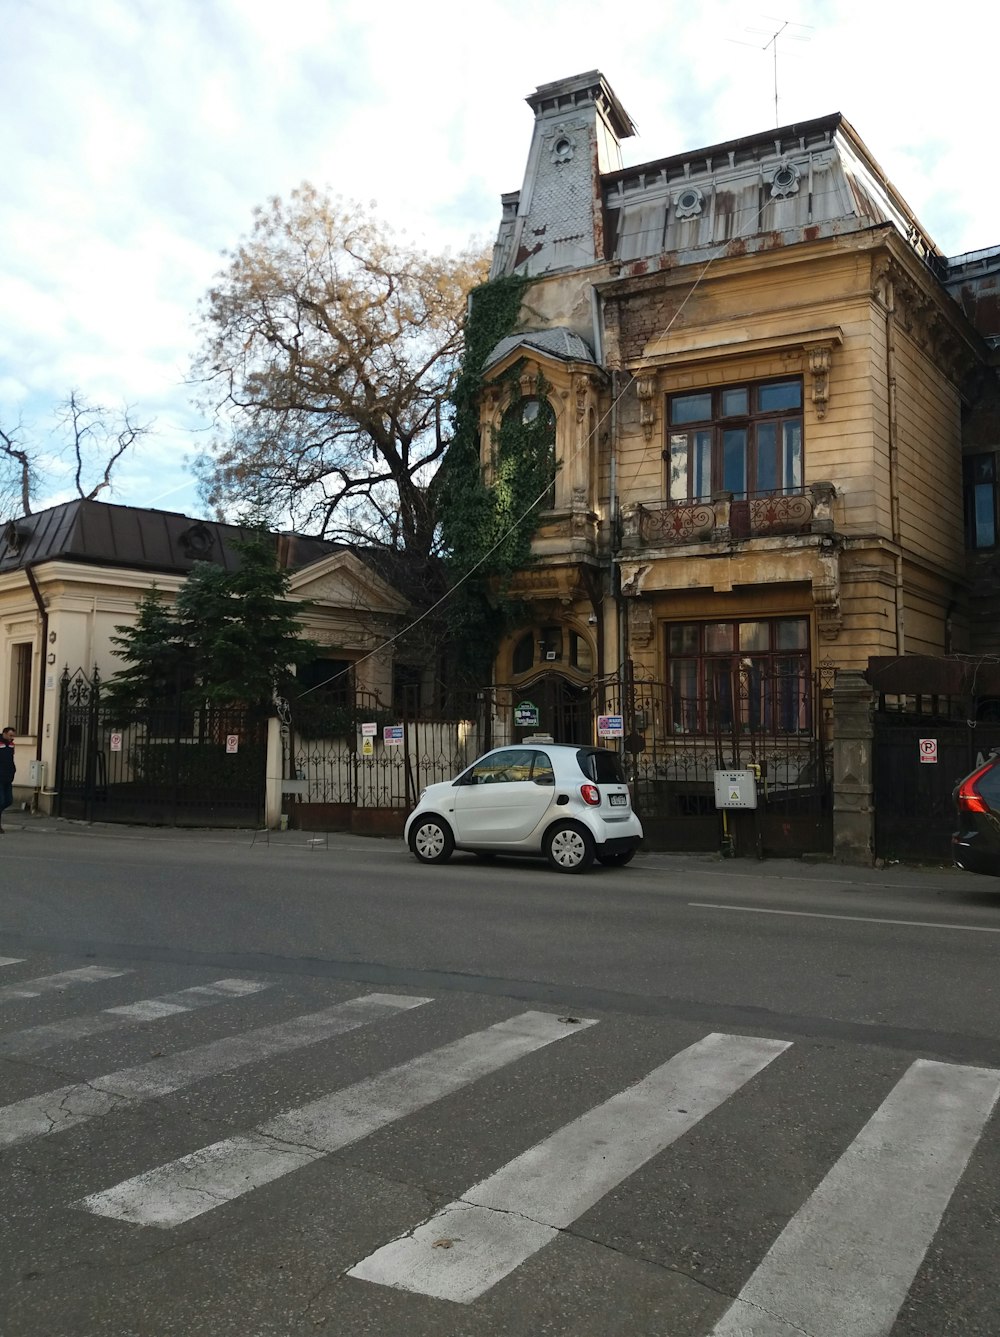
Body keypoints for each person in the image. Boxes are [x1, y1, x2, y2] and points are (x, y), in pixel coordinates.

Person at [0, 727, 15, 833]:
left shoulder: (11, 745)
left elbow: (11, 760)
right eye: (10, 735)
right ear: (4, 734)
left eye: (13, 735)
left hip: (8, 778)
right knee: (1, 801)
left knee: (9, 800)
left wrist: (13, 771)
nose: (11, 738)